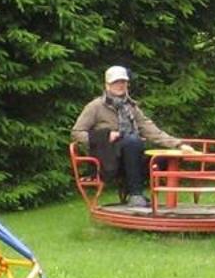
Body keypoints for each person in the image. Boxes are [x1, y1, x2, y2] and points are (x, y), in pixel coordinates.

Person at [71, 66, 192, 211]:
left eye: (123, 82)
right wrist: (105, 136)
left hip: (133, 155)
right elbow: (77, 132)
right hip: (107, 158)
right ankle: (135, 194)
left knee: (162, 158)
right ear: (107, 85)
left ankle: (166, 202)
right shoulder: (95, 106)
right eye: (116, 82)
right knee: (133, 141)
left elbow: (151, 130)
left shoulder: (131, 106)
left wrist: (179, 145)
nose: (120, 85)